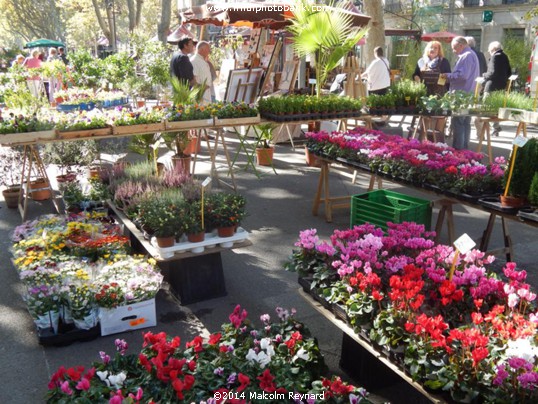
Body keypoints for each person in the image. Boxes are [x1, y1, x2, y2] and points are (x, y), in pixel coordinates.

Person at [439, 36, 479, 150]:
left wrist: (448, 75)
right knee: (465, 122)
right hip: (468, 94)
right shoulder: (471, 54)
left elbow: (463, 76)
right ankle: (464, 150)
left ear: (461, 46)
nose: (453, 50)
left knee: (459, 123)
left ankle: (458, 151)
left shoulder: (466, 56)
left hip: (461, 95)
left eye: (454, 48)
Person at [483, 41, 512, 136]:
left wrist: (484, 75)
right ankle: (495, 127)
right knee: (495, 108)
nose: (488, 51)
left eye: (489, 50)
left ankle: (494, 127)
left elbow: (492, 73)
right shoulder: (505, 56)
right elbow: (509, 73)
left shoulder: (495, 56)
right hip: (501, 86)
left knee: (486, 107)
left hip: (491, 86)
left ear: (493, 49)